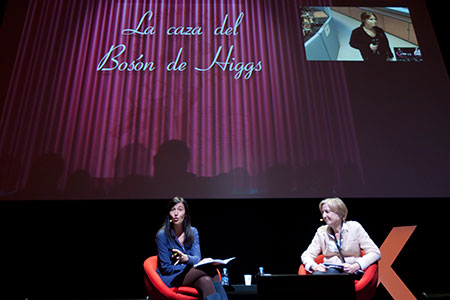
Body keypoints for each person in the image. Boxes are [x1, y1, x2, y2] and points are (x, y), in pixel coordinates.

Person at [156, 196, 228, 300]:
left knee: (206, 281)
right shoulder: (162, 235)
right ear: (169, 214)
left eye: (180, 210)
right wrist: (189, 267)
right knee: (210, 268)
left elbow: (197, 258)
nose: (176, 213)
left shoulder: (193, 232)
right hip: (171, 278)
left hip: (190, 274)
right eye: (173, 209)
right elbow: (166, 268)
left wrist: (187, 259)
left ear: (185, 214)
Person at [301, 197, 381, 275]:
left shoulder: (354, 227)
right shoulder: (321, 232)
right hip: (329, 270)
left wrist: (357, 265)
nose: (324, 216)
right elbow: (307, 255)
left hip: (351, 271)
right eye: (322, 212)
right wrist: (314, 266)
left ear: (339, 213)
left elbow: (375, 252)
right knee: (319, 274)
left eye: (327, 211)